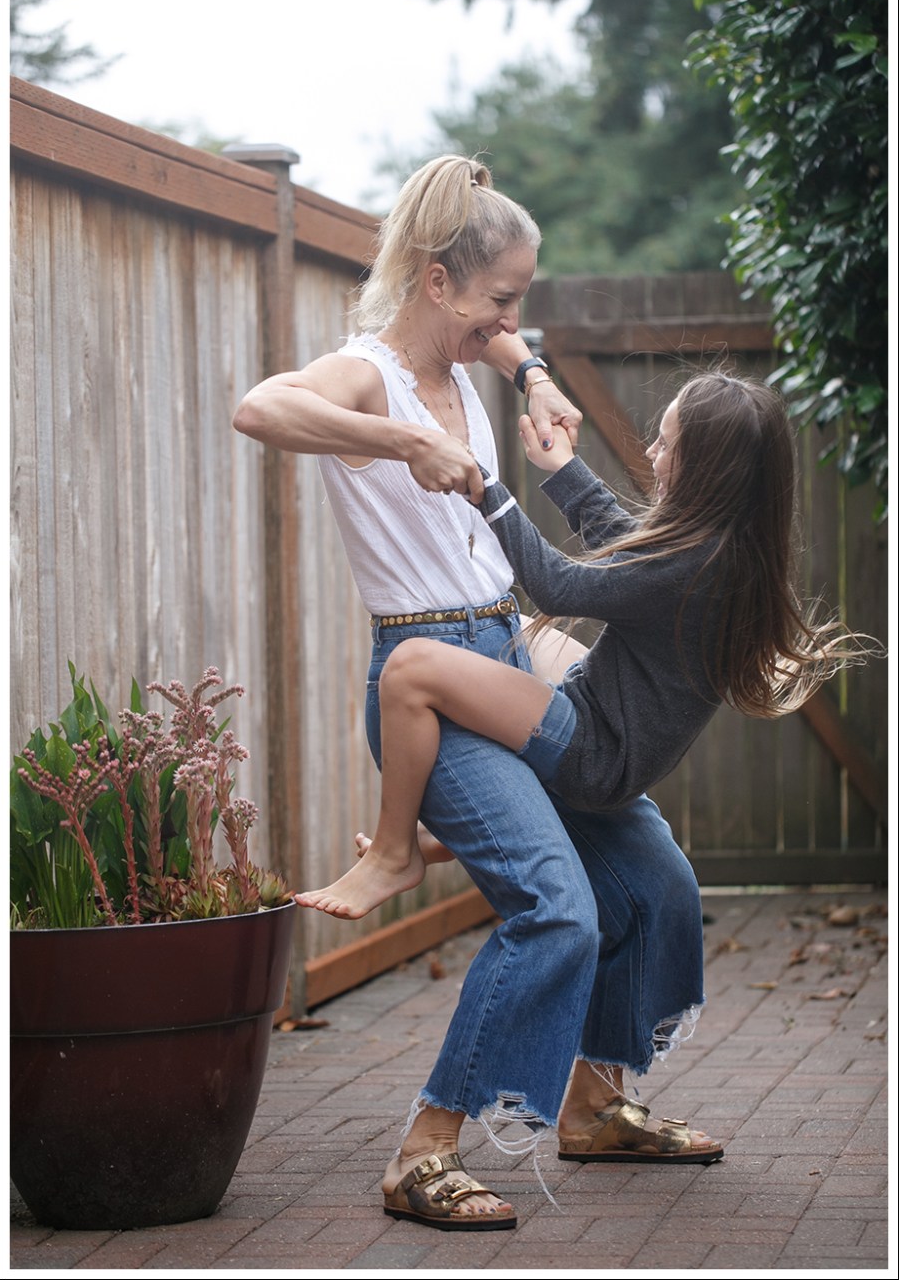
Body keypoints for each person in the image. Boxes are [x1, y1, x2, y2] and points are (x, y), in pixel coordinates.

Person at [233, 155, 723, 1234]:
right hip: (426, 686)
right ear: (435, 281)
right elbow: (260, 408)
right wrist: (399, 439)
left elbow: (502, 343)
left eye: (520, 298)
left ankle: (593, 1103)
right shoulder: (369, 375)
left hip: (504, 654)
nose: (512, 319)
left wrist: (532, 372)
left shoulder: (470, 359)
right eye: (501, 297)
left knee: (657, 877)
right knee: (557, 909)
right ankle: (423, 1151)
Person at [294, 371, 868, 923]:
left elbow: (560, 586)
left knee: (410, 666)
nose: (651, 452)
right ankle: (451, 831)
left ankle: (395, 851)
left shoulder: (696, 566)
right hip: (610, 737)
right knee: (506, 629)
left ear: (706, 470)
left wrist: (486, 489)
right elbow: (625, 544)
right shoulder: (723, 548)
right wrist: (564, 469)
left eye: (666, 444)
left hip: (596, 753)